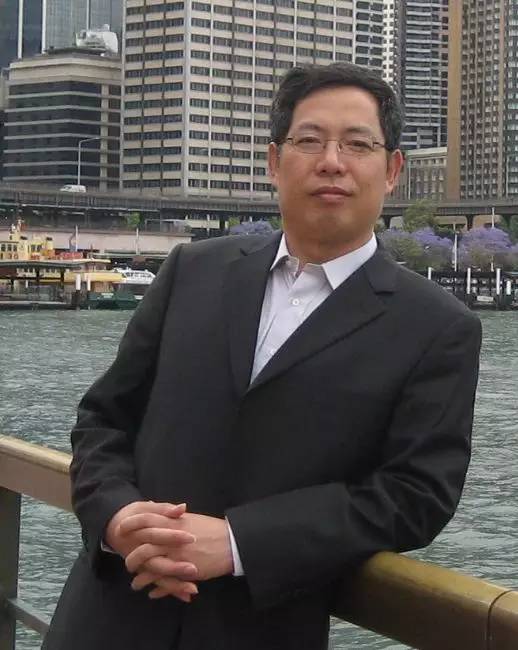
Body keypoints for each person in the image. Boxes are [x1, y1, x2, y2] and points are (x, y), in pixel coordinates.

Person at [43, 63, 481, 650]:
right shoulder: (191, 271)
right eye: (309, 140)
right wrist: (119, 519)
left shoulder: (436, 326)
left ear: (392, 170)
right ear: (275, 161)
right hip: (106, 618)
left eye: (358, 144)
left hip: (259, 629)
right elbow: (104, 419)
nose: (332, 161)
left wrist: (238, 543)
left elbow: (415, 495)